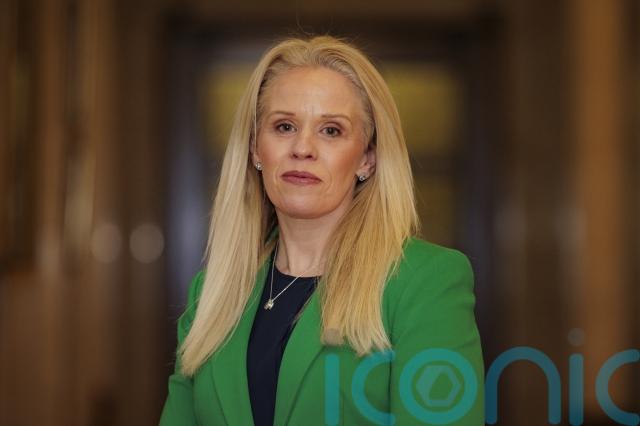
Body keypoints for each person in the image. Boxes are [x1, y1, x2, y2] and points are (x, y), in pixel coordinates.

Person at [159, 35, 484, 425]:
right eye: (284, 126)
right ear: (255, 148)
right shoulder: (212, 293)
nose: (302, 148)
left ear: (367, 158)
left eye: (331, 130)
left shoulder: (423, 282)